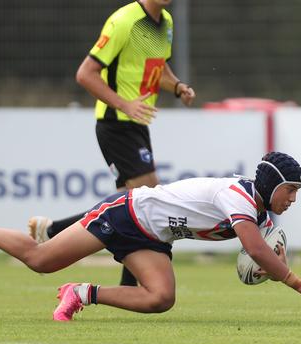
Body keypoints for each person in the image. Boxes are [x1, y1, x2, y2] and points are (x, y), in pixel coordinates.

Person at [0, 152, 301, 321]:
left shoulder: (261, 214)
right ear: (272, 185)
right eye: (292, 190)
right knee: (40, 259)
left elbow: (263, 252)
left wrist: (277, 264)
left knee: (161, 298)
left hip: (153, 236)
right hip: (127, 214)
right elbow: (252, 249)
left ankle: (82, 293)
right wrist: (294, 281)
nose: (294, 199)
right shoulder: (239, 197)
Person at [28, 0, 196, 288]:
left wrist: (178, 86)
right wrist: (124, 105)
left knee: (129, 206)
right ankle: (125, 284)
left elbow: (158, 66)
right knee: (147, 200)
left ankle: (54, 232)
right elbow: (85, 74)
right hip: (116, 123)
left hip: (137, 124)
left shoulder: (165, 22)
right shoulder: (124, 21)